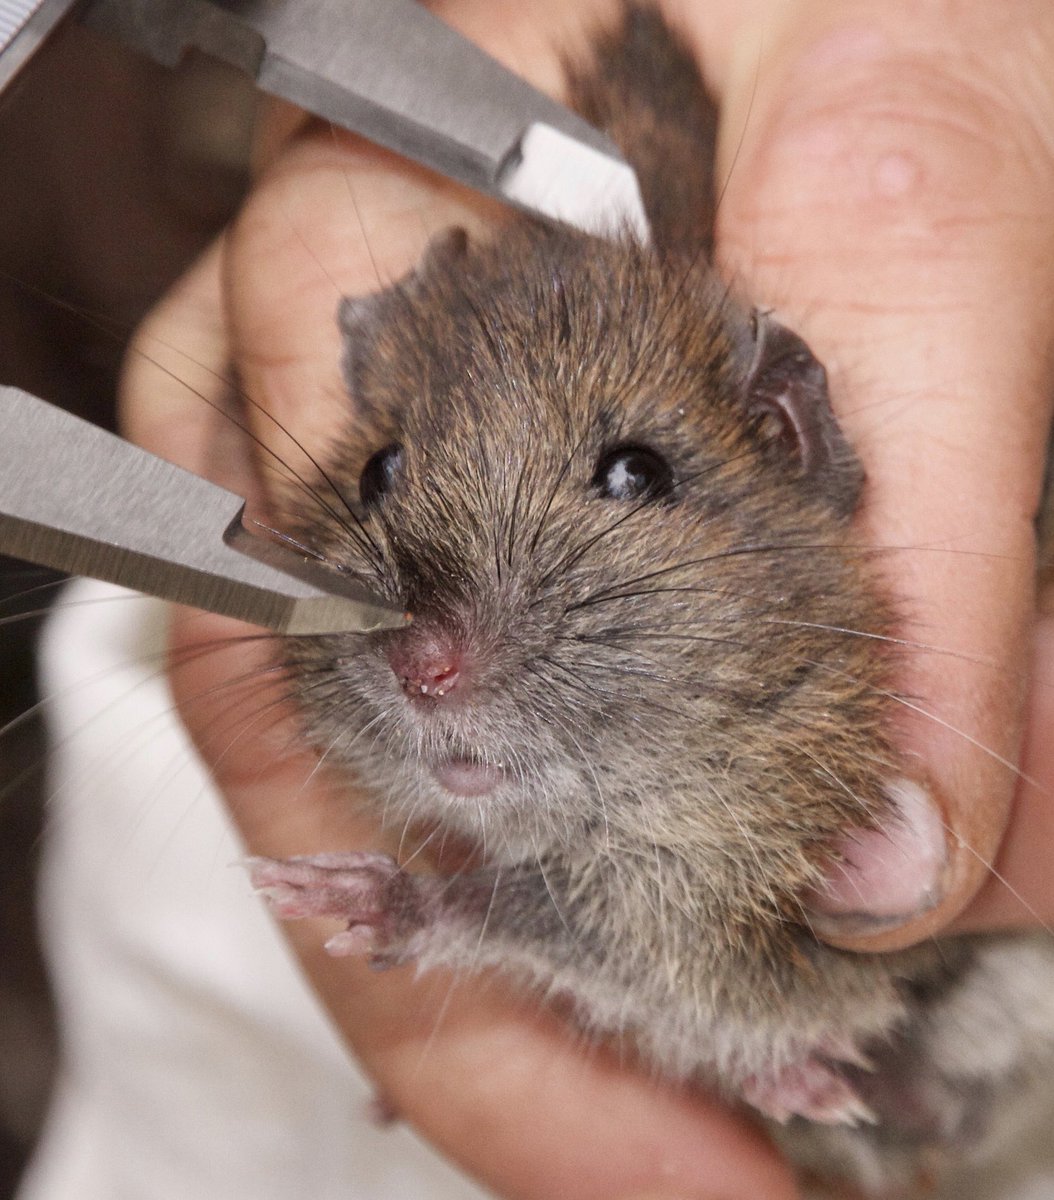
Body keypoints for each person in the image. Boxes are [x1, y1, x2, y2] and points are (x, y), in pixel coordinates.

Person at [114, 0, 1054, 1195]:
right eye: (383, 472)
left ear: (788, 435)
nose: (428, 653)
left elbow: (708, 961)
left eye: (629, 477)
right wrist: (448, 911)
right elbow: (673, 956)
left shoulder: (787, 722)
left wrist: (448, 914)